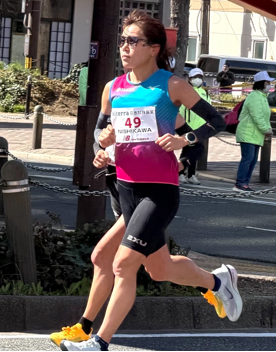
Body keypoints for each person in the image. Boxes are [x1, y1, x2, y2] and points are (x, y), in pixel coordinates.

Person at [62, 10, 235, 351]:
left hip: (159, 191)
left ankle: (98, 342)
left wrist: (186, 141)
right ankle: (217, 282)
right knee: (159, 269)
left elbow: (218, 121)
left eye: (133, 41)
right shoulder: (113, 88)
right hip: (126, 188)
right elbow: (101, 130)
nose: (124, 47)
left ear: (154, 48)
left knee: (123, 263)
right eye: (122, 41)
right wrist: (103, 145)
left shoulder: (172, 86)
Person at [233, 71, 274, 192]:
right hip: (248, 133)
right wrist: (266, 129)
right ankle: (240, 183)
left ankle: (245, 183)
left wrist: (268, 128)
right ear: (261, 83)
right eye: (268, 82)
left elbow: (265, 116)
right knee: (248, 158)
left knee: (252, 159)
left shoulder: (262, 97)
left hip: (255, 134)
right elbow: (257, 116)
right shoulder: (255, 97)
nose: (270, 85)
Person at [178, 68, 210, 185]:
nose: (198, 79)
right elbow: (181, 109)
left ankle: (191, 174)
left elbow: (208, 109)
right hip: (188, 127)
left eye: (200, 77)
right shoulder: (186, 91)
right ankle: (181, 173)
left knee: (196, 153)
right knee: (187, 151)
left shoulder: (204, 92)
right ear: (190, 79)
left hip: (201, 128)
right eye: (195, 77)